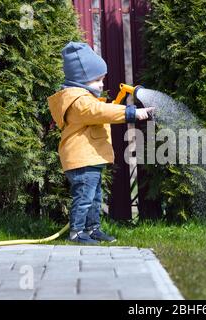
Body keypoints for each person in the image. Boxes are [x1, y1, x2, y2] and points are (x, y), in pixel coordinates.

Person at [47, 41, 154, 244]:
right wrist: (132, 112)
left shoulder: (85, 99)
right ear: (81, 80)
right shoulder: (79, 102)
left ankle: (92, 229)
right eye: (97, 80)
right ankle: (77, 232)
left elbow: (103, 113)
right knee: (85, 198)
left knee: (94, 199)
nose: (102, 84)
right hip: (82, 161)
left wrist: (120, 109)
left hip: (90, 159)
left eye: (102, 79)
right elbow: (100, 112)